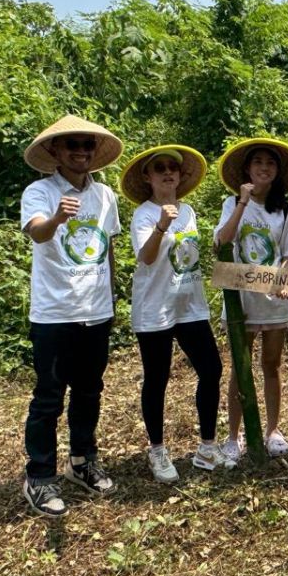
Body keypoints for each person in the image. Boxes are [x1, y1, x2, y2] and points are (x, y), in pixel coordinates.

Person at [19, 114, 124, 517]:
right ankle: (40, 477)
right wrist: (60, 217)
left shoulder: (106, 196)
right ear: (55, 152)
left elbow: (107, 247)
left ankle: (82, 460)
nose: (81, 152)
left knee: (89, 390)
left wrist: (112, 299)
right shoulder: (40, 192)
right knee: (48, 397)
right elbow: (38, 233)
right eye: (72, 145)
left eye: (86, 145)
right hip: (55, 312)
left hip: (96, 310)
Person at [120, 145, 225, 481]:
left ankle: (208, 446)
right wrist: (162, 226)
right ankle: (158, 450)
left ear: (180, 176)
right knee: (157, 378)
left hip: (190, 305)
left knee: (211, 369)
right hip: (155, 307)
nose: (168, 172)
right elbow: (147, 257)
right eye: (160, 168)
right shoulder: (145, 214)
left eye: (173, 168)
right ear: (148, 177)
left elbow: (190, 255)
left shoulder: (190, 210)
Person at [213, 138, 288, 463]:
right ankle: (233, 436)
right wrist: (242, 202)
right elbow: (222, 242)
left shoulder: (286, 209)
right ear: (247, 170)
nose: (264, 167)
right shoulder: (232, 204)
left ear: (277, 171)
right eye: (258, 163)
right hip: (241, 300)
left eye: (270, 163)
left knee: (271, 364)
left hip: (275, 298)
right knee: (240, 367)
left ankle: (273, 431)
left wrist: (283, 280)